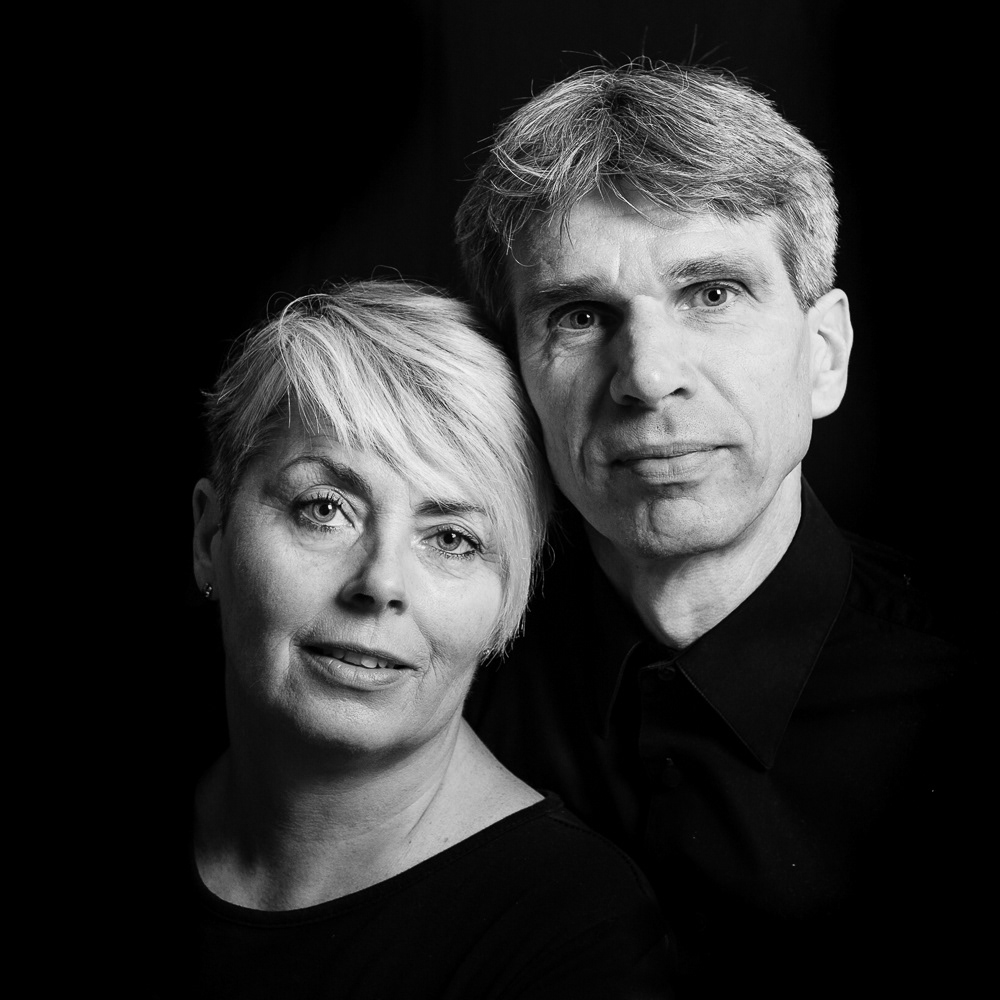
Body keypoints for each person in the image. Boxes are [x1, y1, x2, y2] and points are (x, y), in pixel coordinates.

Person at [456, 62, 966, 997]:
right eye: (580, 315)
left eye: (713, 293)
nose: (648, 376)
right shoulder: (442, 671)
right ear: (516, 381)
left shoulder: (958, 699)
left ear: (825, 355)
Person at [188, 280, 673, 998]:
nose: (381, 583)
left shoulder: (574, 937)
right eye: (325, 508)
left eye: (451, 539)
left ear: (508, 603)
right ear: (211, 535)